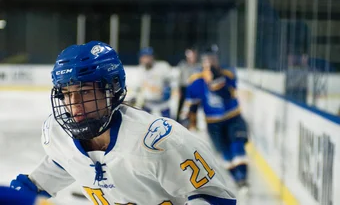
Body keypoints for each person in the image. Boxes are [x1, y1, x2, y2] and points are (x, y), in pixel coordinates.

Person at [10, 41, 236, 205]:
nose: (74, 104)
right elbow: (40, 181)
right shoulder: (59, 136)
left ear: (113, 90)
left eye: (85, 92)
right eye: (67, 94)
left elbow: (216, 198)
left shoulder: (159, 142)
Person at [180, 46, 248, 190]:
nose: (210, 62)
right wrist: (188, 119)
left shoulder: (228, 74)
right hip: (213, 123)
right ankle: (237, 179)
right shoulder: (196, 80)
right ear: (202, 61)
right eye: (207, 59)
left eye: (213, 58)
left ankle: (242, 177)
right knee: (225, 152)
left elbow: (229, 94)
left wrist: (218, 80)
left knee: (237, 145)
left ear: (217, 59)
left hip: (232, 118)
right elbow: (191, 104)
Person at [133, 46, 174, 118]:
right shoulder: (139, 70)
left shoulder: (163, 67)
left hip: (162, 103)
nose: (146, 59)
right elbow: (137, 88)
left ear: (152, 57)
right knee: (144, 124)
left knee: (169, 124)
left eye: (148, 56)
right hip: (148, 104)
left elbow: (171, 81)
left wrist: (168, 89)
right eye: (144, 57)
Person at [176, 47, 200, 122]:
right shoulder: (182, 65)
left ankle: (193, 122)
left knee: (194, 106)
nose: (191, 58)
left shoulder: (199, 66)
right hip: (184, 87)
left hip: (195, 88)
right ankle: (178, 121)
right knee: (181, 105)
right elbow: (179, 78)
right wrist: (179, 90)